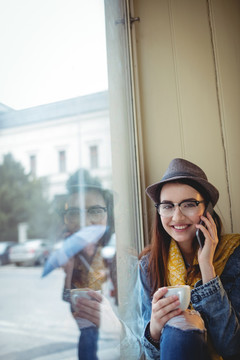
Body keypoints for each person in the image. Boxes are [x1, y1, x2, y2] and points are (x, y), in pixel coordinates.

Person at [139, 158, 240, 360]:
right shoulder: (147, 265)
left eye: (189, 204)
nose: (177, 217)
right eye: (167, 206)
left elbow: (232, 348)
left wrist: (207, 267)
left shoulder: (234, 255)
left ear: (207, 209)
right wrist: (155, 330)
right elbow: (150, 355)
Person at [61, 170, 115, 360]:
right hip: (82, 299)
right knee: (88, 333)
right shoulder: (72, 248)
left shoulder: (109, 246)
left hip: (102, 300)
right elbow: (67, 291)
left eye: (95, 210)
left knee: (92, 334)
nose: (86, 221)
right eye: (75, 213)